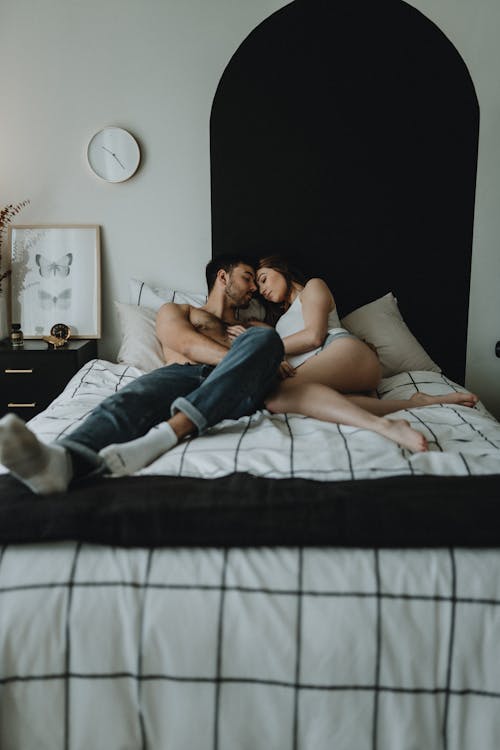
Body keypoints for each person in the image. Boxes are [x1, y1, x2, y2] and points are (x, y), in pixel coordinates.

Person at [0, 254, 284, 494]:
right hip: (183, 375)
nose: (254, 289)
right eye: (247, 277)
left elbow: (275, 362)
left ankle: (164, 436)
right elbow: (184, 343)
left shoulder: (255, 328)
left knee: (267, 341)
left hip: (234, 389)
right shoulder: (179, 310)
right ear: (223, 277)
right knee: (128, 400)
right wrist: (238, 358)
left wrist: (254, 349)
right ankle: (62, 461)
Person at [227, 254, 477, 452]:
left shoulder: (313, 287)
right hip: (328, 371)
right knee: (280, 400)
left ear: (280, 268)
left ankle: (388, 425)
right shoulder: (280, 320)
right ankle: (415, 403)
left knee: (275, 395)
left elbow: (314, 335)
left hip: (341, 350)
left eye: (263, 278)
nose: (262, 289)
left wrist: (268, 348)